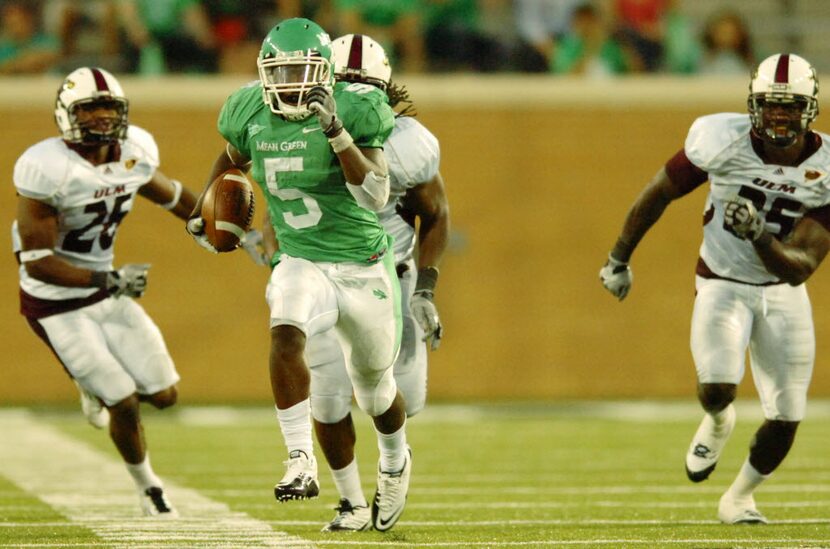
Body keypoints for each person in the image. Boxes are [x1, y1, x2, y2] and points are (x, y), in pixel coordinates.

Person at [185, 18, 412, 531]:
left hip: (363, 265)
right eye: (278, 70)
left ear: (324, 73)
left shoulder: (356, 108)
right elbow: (231, 156)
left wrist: (335, 131)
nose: (287, 82)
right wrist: (206, 202)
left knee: (375, 390)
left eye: (299, 70)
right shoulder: (249, 110)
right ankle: (298, 459)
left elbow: (375, 195)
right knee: (285, 328)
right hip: (302, 258)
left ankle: (396, 457)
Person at [599, 53, 830, 524]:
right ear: (753, 104)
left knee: (787, 414)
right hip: (721, 281)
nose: (779, 115)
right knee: (717, 388)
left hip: (781, 292)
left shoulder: (827, 168)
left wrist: (758, 234)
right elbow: (659, 191)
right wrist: (618, 257)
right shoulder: (720, 140)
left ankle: (739, 498)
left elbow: (800, 266)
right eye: (770, 104)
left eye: (790, 105)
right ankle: (720, 419)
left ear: (810, 108)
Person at [250, 33, 449, 532]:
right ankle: (351, 501)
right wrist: (275, 252)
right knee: (328, 396)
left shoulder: (407, 143)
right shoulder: (295, 126)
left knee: (388, 396)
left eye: (367, 85)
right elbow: (284, 196)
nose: (358, 93)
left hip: (386, 276)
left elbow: (438, 214)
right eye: (348, 83)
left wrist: (426, 287)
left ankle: (394, 460)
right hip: (320, 267)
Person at [13, 66, 198, 517]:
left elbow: (170, 194)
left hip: (104, 287)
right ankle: (148, 487)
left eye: (107, 107)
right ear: (66, 114)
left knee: (165, 397)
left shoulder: (134, 151)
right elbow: (37, 263)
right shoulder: (46, 168)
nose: (99, 117)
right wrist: (108, 280)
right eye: (89, 108)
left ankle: (89, 382)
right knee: (123, 399)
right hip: (54, 298)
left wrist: (216, 224)